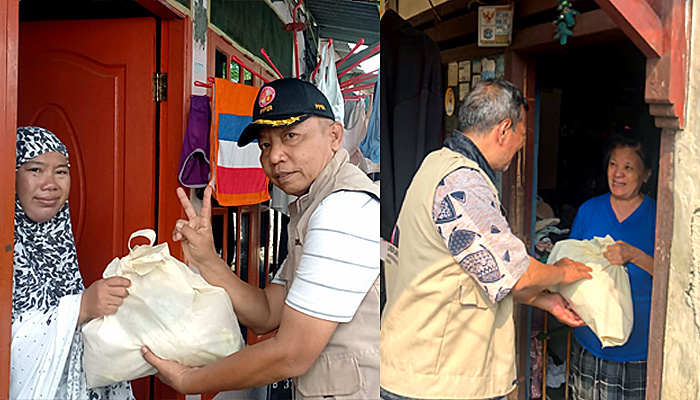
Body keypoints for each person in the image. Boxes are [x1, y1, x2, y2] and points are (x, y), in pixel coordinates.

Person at [141, 78, 380, 399]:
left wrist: (189, 381)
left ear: (335, 136)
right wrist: (206, 259)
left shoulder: (343, 209)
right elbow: (267, 313)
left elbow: (291, 353)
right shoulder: (314, 206)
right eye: (265, 144)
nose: (275, 156)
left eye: (290, 136)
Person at [380, 79, 593, 400]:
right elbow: (515, 275)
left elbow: (479, 272)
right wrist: (563, 271)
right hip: (439, 379)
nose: (522, 143)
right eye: (524, 133)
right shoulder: (462, 183)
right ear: (504, 129)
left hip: (420, 367)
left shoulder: (436, 163)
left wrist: (545, 300)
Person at [12, 126, 133, 399]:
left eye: (61, 171)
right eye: (35, 170)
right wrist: (80, 308)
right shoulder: (7, 247)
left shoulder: (57, 238)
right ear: (11, 175)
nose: (51, 184)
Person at [568, 135, 655, 400]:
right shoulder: (589, 211)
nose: (618, 174)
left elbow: (674, 278)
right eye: (613, 164)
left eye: (628, 167)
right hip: (589, 342)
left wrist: (634, 255)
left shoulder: (659, 217)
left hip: (638, 350)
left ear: (646, 175)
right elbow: (568, 266)